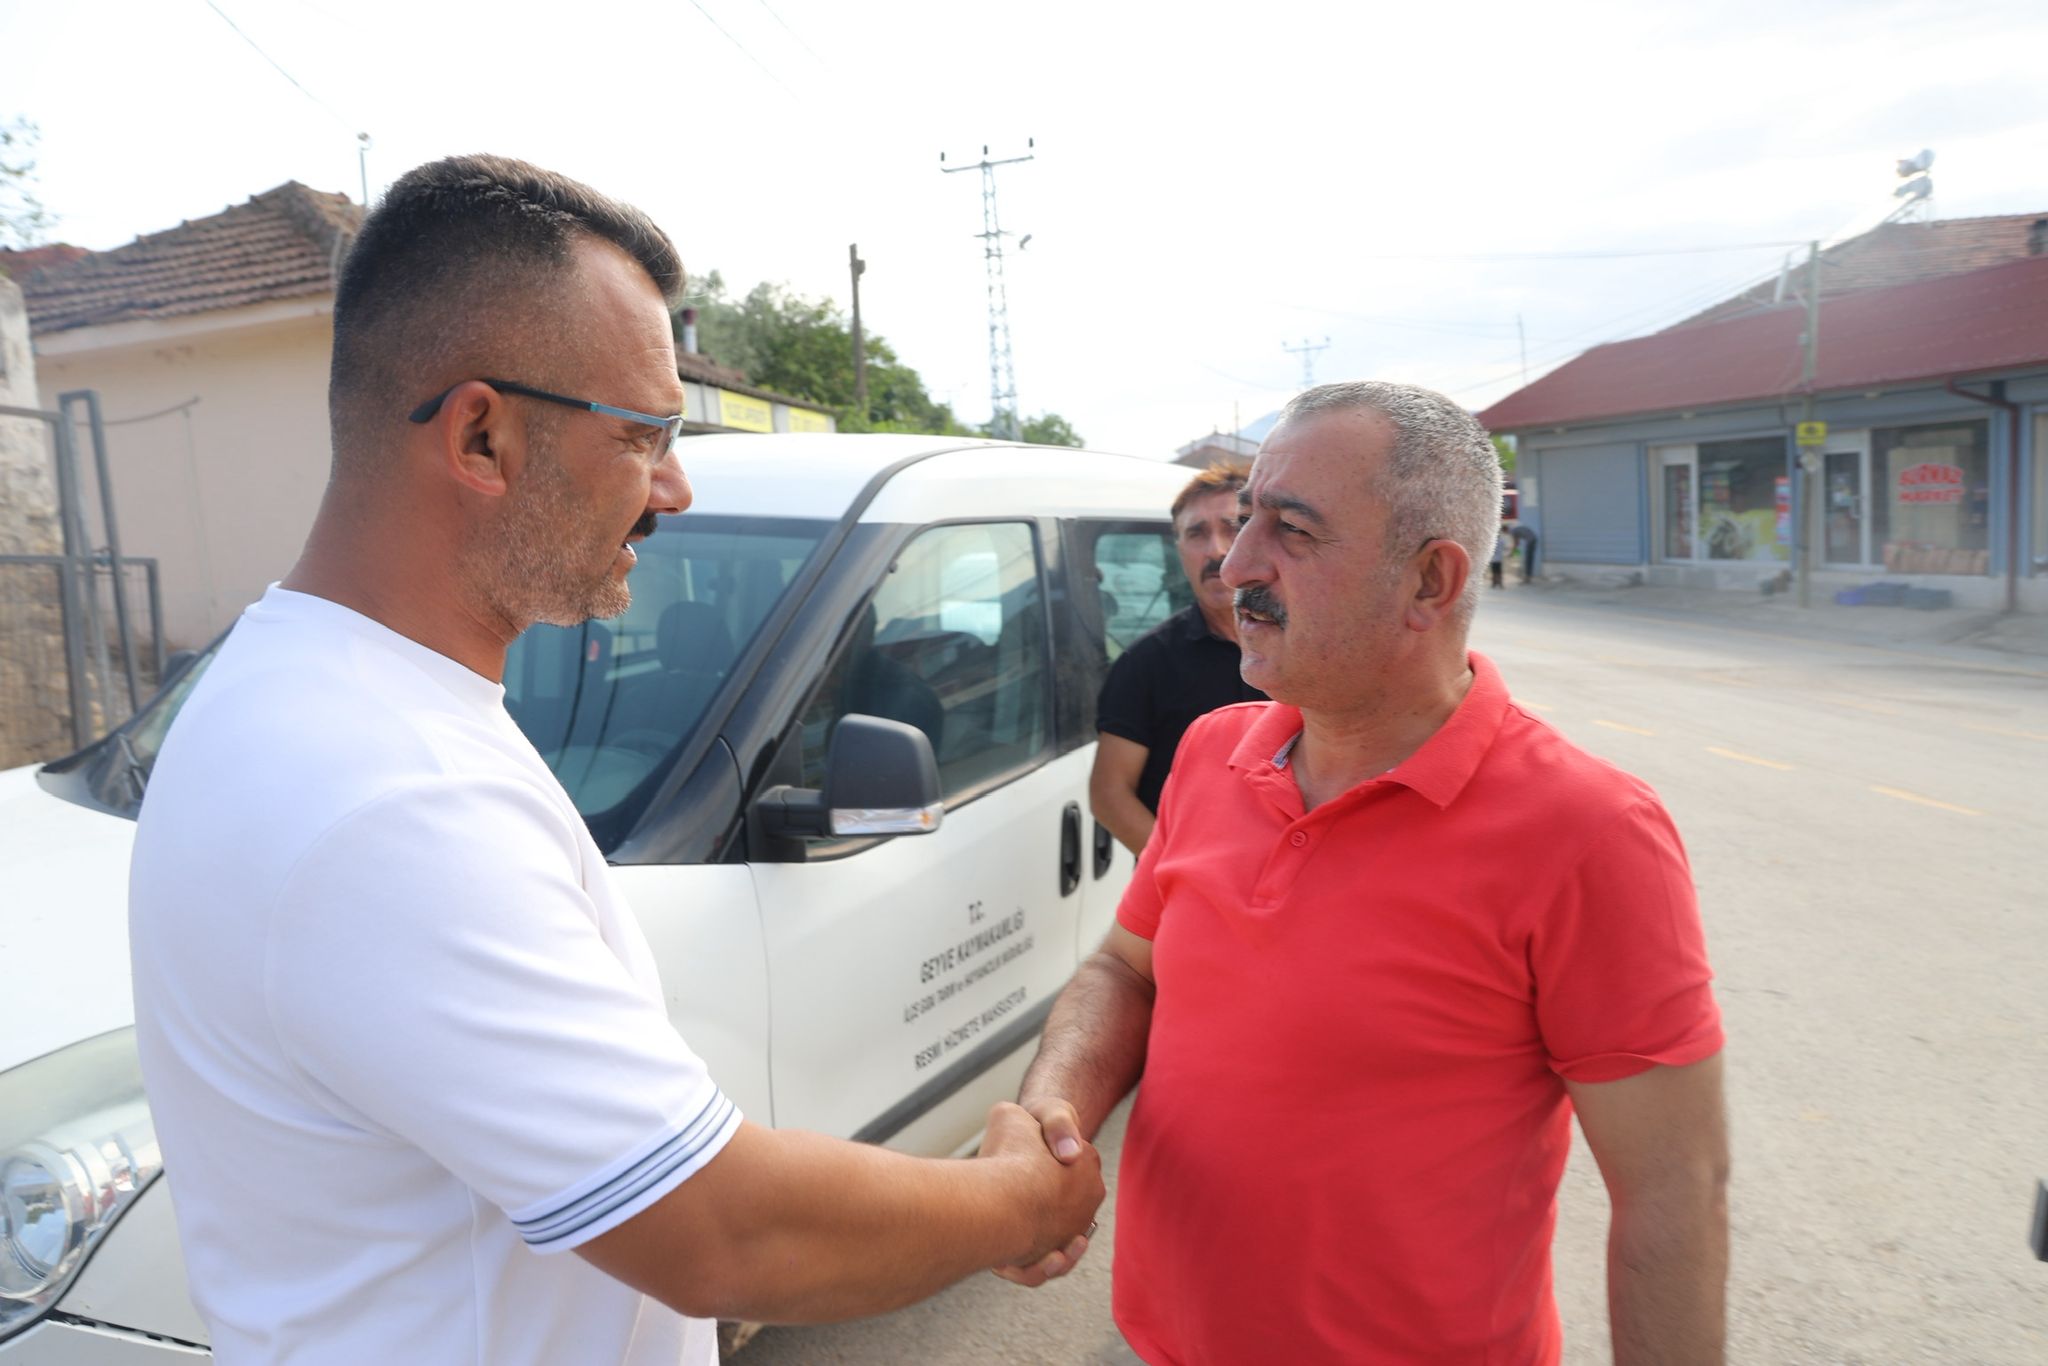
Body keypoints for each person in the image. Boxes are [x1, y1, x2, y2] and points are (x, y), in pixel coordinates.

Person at [127, 155, 1101, 1366]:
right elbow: (718, 1229)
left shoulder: (318, 693)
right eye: (646, 435)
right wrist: (1026, 1196)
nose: (675, 487)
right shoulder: (382, 791)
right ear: (480, 435)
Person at [1008, 381, 1728, 1364]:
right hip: (1155, 1342)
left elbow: (1672, 1190)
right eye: (1241, 514)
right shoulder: (1212, 753)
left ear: (1428, 582)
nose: (1233, 561)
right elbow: (1125, 971)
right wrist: (1053, 1109)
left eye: (1289, 528)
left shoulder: (1589, 830)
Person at [1089, 462, 1267, 855]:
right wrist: (1180, 877)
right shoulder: (1146, 663)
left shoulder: (1310, 647)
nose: (1216, 550)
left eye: (1231, 527)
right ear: (1179, 550)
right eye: (1196, 534)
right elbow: (1109, 795)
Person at [1489, 521, 1511, 588]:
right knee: (1499, 572)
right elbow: (1506, 548)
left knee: (1494, 572)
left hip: (1493, 559)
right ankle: (1500, 584)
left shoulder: (1491, 541)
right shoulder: (1501, 541)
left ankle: (1494, 583)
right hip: (1499, 559)